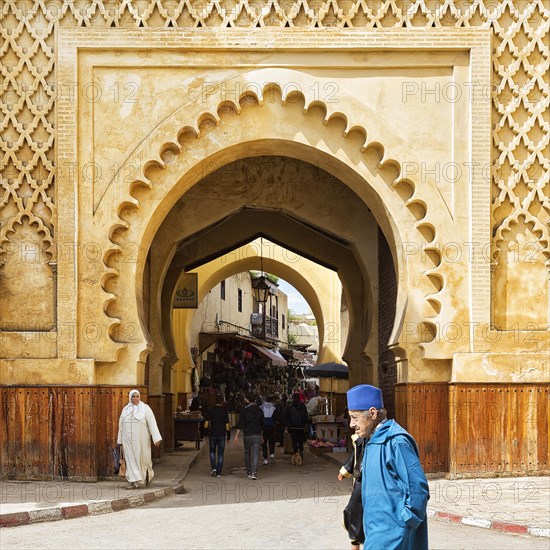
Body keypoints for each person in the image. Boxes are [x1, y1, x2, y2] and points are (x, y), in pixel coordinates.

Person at [347, 384, 429, 550]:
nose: (351, 424)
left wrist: (403, 524)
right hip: (376, 531)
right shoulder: (372, 440)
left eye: (355, 418)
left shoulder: (396, 441)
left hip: (393, 535)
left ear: (373, 413)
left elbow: (417, 489)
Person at [117, 389, 162, 490]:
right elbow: (121, 425)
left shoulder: (146, 409)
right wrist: (120, 441)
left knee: (144, 459)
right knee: (130, 460)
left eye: (137, 396)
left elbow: (152, 423)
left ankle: (146, 478)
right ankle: (133, 482)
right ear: (130, 398)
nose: (135, 398)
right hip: (127, 441)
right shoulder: (125, 410)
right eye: (133, 396)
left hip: (142, 441)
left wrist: (156, 438)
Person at [337, 434, 365, 550]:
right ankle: (355, 544)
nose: (352, 424)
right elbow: (357, 454)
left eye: (355, 418)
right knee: (353, 511)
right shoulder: (362, 438)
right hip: (361, 479)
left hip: (373, 482)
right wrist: (346, 470)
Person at [233, 393, 264, 480]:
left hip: (247, 435)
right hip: (257, 434)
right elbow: (262, 424)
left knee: (247, 453)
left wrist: (236, 436)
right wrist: (262, 435)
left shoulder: (244, 410)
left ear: (247, 400)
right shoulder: (260, 410)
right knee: (256, 454)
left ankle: (248, 471)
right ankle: (254, 472)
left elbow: (240, 424)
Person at [204, 394, 230, 477]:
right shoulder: (224, 411)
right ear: (222, 402)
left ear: (215, 401)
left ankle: (214, 468)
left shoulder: (210, 411)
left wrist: (205, 434)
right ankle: (219, 472)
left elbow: (206, 424)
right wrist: (228, 436)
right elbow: (227, 425)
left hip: (212, 434)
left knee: (212, 452)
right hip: (222, 434)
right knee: (220, 453)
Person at [284, 391, 308, 466]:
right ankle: (301, 453)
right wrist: (304, 424)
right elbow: (305, 416)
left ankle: (295, 456)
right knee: (300, 441)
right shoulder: (303, 407)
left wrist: (288, 425)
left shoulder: (290, 407)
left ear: (293, 398)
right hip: (301, 427)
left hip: (293, 427)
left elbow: (286, 417)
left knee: (294, 442)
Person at [260, 395, 277, 465]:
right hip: (271, 426)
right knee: (271, 441)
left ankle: (265, 459)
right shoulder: (274, 408)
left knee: (264, 443)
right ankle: (272, 454)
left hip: (264, 426)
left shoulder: (261, 407)